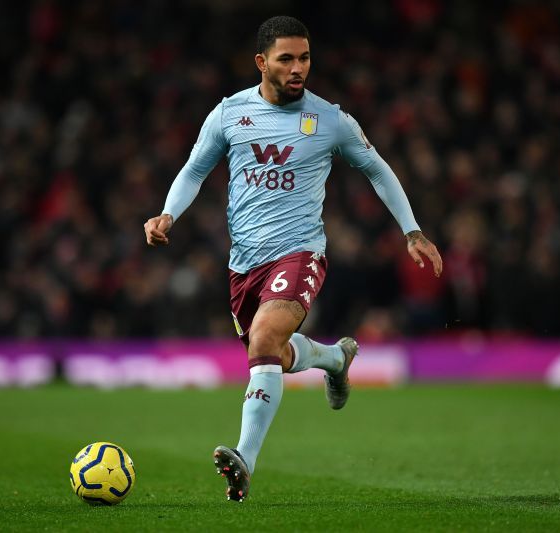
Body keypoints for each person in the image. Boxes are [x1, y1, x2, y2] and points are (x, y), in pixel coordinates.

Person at [144, 15, 442, 502]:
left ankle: (245, 458)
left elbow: (378, 169)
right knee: (273, 356)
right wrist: (166, 215)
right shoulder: (228, 115)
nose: (298, 67)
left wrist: (412, 231)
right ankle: (334, 359)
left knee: (264, 338)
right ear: (262, 62)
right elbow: (194, 170)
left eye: (304, 57)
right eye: (287, 58)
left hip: (300, 254)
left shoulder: (331, 120)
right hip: (244, 265)